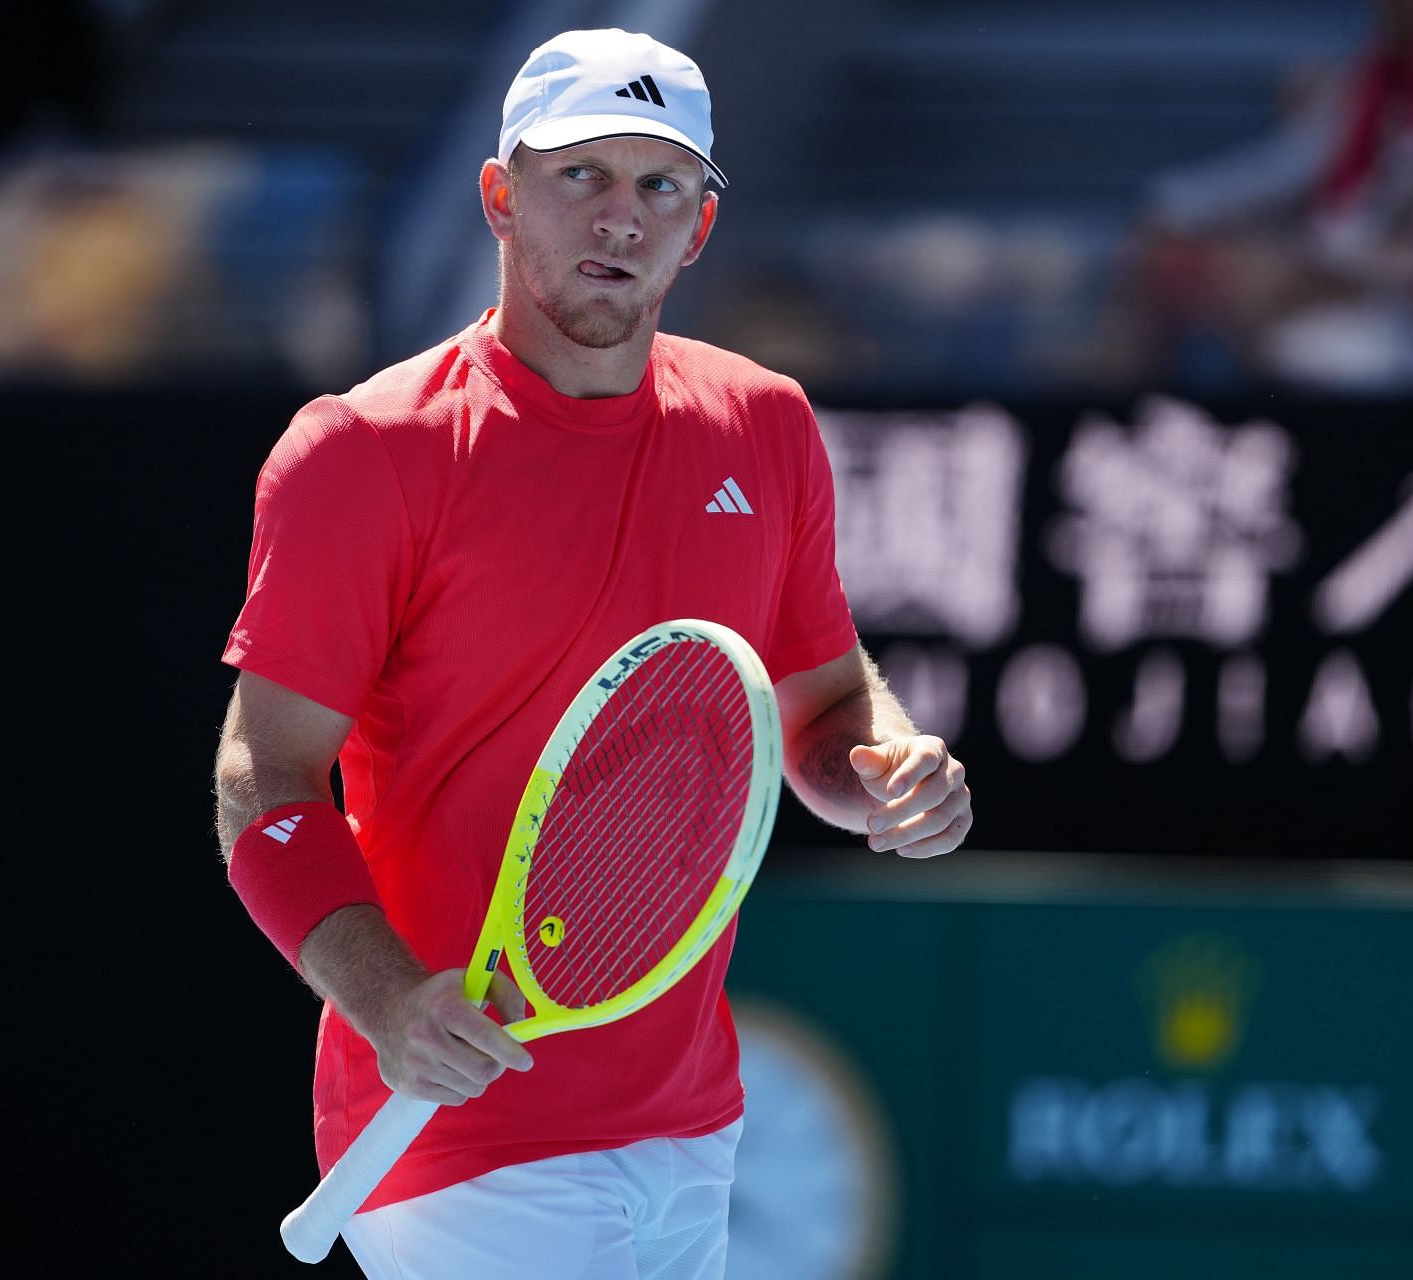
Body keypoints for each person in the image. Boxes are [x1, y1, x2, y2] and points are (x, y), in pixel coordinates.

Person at [213, 28, 973, 1280]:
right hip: (463, 1142)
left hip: (689, 1124)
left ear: (701, 229)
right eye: (585, 177)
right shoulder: (362, 452)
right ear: (501, 197)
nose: (623, 218)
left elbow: (825, 703)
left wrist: (884, 769)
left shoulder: (765, 425)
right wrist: (391, 999)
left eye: (661, 186)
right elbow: (265, 777)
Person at [1099, 0, 1413, 392]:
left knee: (1260, 281)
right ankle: (1107, 430)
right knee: (1162, 256)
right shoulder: (1377, 70)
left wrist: (1320, 251)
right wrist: (1172, 205)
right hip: (1375, 264)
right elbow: (1289, 165)